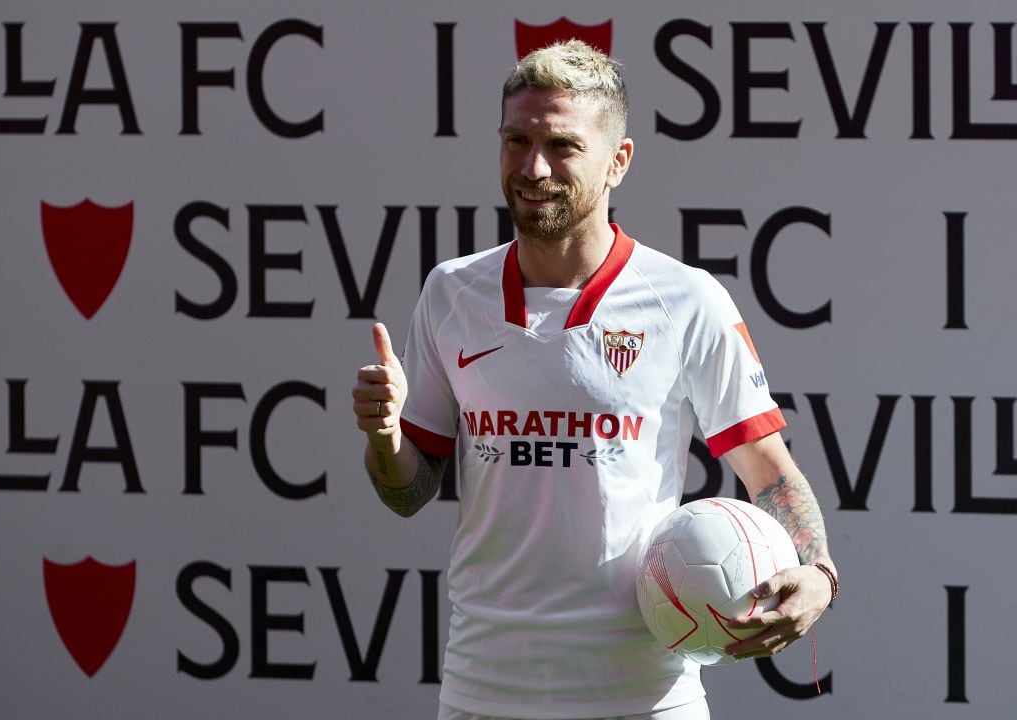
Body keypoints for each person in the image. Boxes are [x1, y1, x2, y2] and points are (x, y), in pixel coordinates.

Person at [352, 40, 838, 720]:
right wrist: (381, 437)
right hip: (486, 690)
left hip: (643, 696)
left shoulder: (685, 299)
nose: (533, 167)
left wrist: (819, 572)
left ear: (619, 161)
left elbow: (770, 472)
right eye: (515, 140)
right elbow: (409, 492)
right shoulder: (450, 293)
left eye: (563, 146)